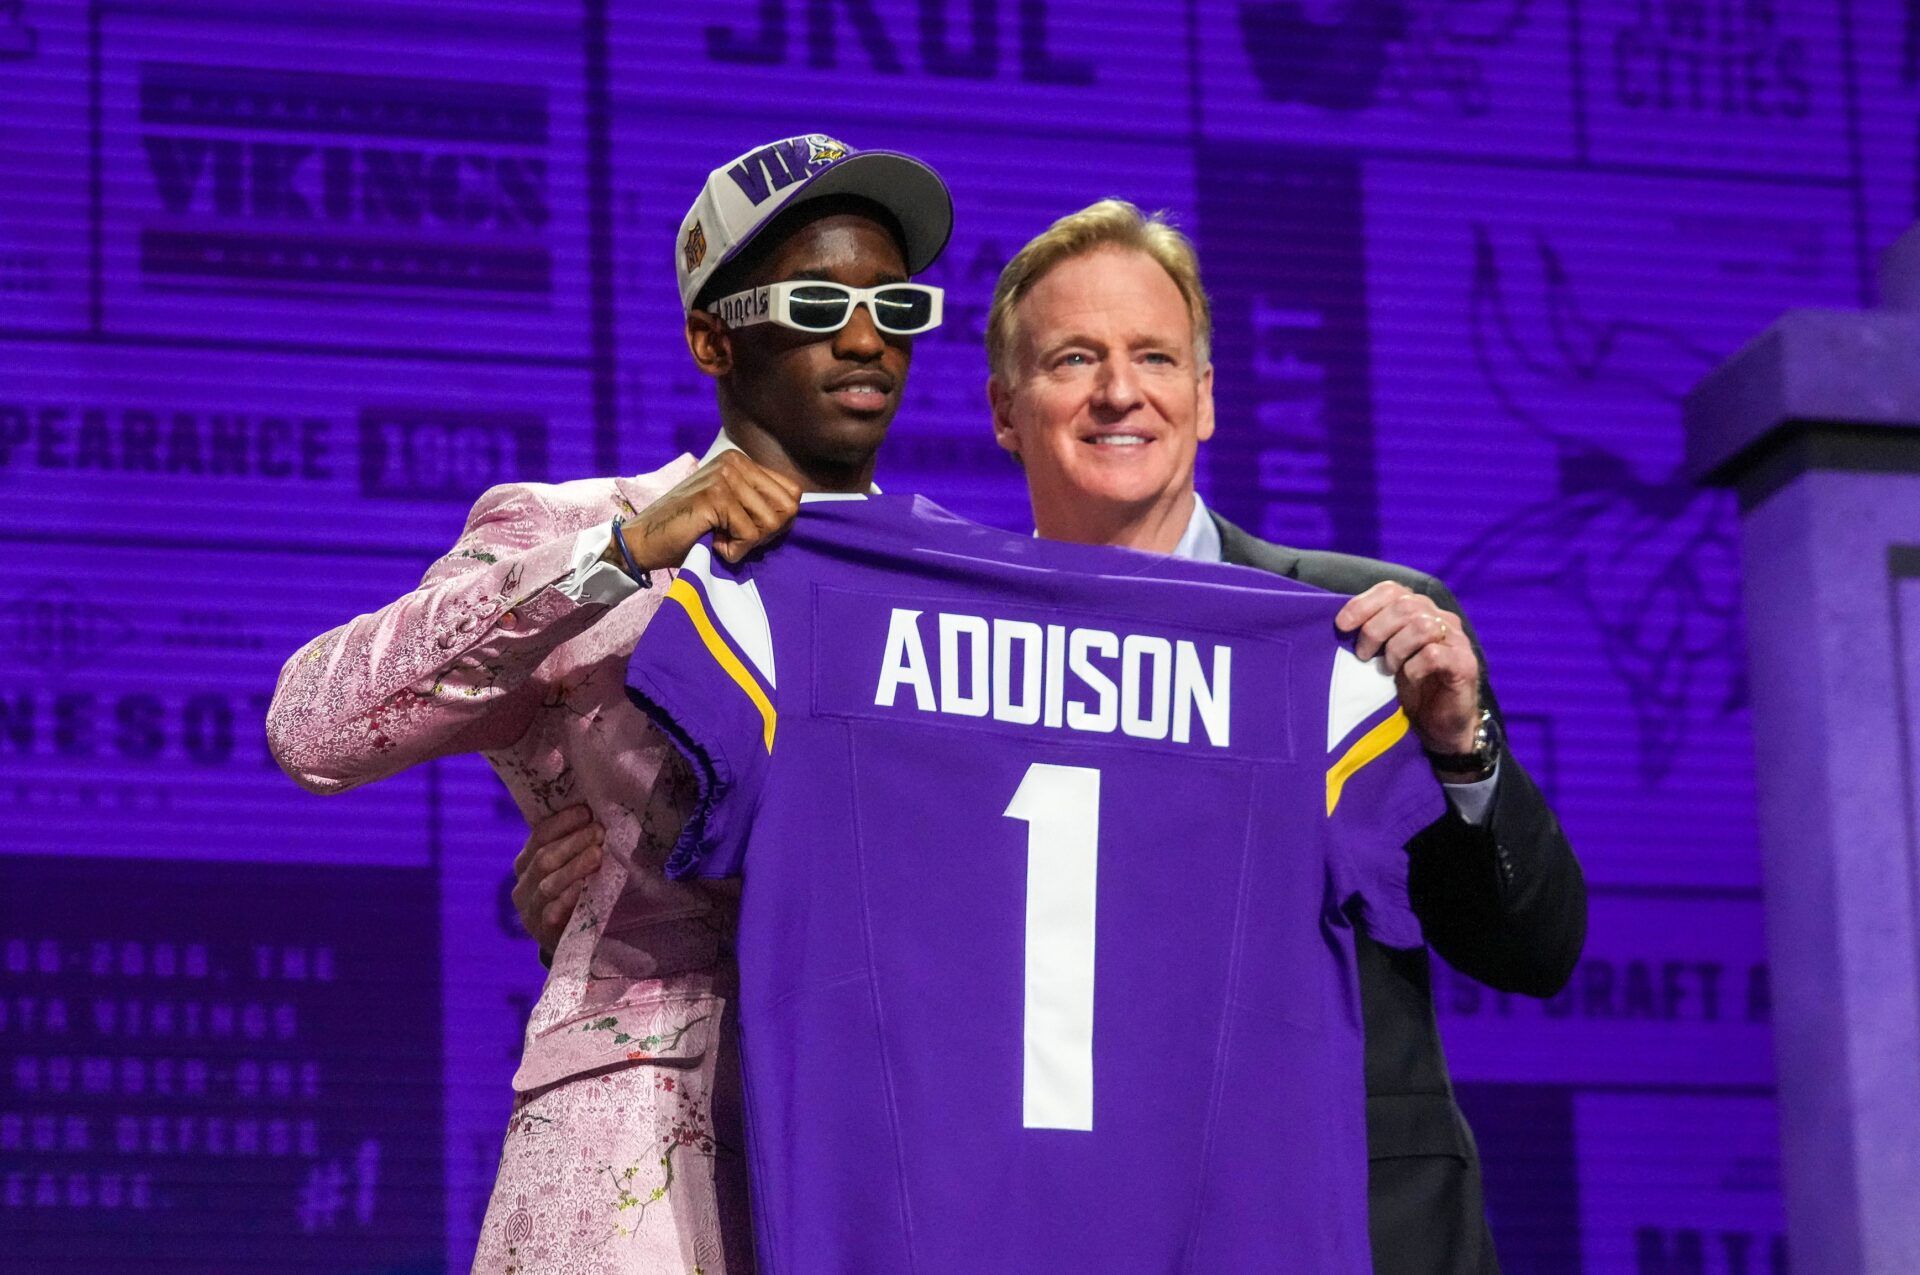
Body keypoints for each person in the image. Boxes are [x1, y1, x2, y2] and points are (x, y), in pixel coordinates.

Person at [515, 199, 1585, 1273]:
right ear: (1002, 409)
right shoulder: (908, 644)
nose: (1120, 392)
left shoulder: (1358, 635)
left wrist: (1462, 745)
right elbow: (860, 902)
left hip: (1330, 1226)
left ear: (1206, 398)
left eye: (1155, 358)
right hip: (1010, 1223)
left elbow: (1532, 951)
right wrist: (624, 878)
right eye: (1075, 358)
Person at [265, 133, 953, 1273]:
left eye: (897, 306)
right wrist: (630, 551)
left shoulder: (954, 581)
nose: (867, 338)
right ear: (710, 337)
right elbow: (314, 726)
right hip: (637, 1150)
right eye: (820, 300)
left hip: (890, 1139)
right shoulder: (584, 530)